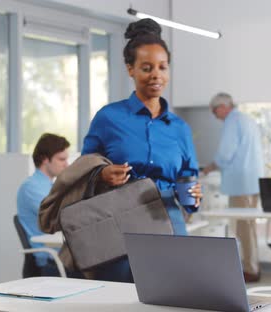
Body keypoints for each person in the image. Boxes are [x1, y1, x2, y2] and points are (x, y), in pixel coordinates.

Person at [82, 18, 202, 283]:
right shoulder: (108, 117)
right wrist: (102, 175)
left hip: (169, 218)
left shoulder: (179, 128)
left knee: (174, 292)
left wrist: (193, 194)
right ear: (130, 69)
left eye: (162, 67)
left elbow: (189, 177)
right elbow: (83, 169)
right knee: (118, 295)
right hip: (119, 222)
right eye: (146, 68)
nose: (156, 75)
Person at [202, 92, 264, 282]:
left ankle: (250, 269)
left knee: (243, 228)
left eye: (215, 112)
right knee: (249, 226)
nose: (216, 117)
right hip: (252, 181)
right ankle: (252, 266)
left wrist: (210, 167)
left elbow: (226, 152)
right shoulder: (248, 119)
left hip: (240, 183)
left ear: (222, 107)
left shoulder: (232, 120)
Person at [17, 133, 69, 274]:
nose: (67, 164)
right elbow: (61, 216)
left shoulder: (50, 186)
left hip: (61, 256)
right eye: (61, 159)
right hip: (50, 260)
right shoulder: (31, 187)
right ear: (45, 159)